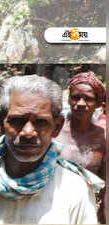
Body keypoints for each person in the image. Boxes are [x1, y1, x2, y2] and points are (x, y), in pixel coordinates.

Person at [0, 75, 104, 224]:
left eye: (41, 122)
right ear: (0, 122)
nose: (28, 133)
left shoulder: (75, 189)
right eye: (17, 121)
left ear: (57, 127)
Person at [55, 71, 106, 224]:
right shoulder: (54, 131)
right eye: (75, 97)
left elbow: (104, 181)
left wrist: (102, 215)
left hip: (86, 207)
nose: (80, 103)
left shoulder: (103, 138)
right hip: (54, 205)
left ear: (98, 104)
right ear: (69, 99)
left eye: (88, 99)